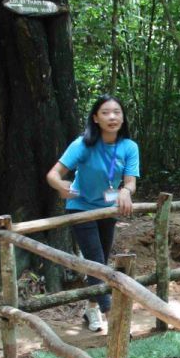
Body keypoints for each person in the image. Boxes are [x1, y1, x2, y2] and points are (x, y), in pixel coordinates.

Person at [46, 94, 140, 332]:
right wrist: (61, 186)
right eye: (106, 113)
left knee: (99, 262)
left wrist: (126, 191)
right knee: (97, 263)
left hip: (107, 209)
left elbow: (130, 182)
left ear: (123, 117)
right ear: (95, 118)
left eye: (116, 112)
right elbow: (53, 174)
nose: (112, 117)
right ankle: (114, 319)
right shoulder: (82, 145)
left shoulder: (129, 147)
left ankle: (91, 308)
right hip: (81, 209)